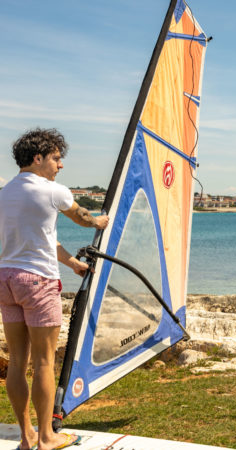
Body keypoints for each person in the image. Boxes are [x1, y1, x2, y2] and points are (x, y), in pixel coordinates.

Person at [0, 128, 109, 450]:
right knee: (45, 362)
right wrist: (100, 222)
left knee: (18, 362)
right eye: (57, 158)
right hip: (37, 283)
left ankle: (26, 437)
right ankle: (48, 437)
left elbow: (43, 239)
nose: (60, 166)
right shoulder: (52, 190)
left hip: (6, 280)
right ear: (38, 158)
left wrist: (73, 264)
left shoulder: (4, 193)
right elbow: (83, 218)